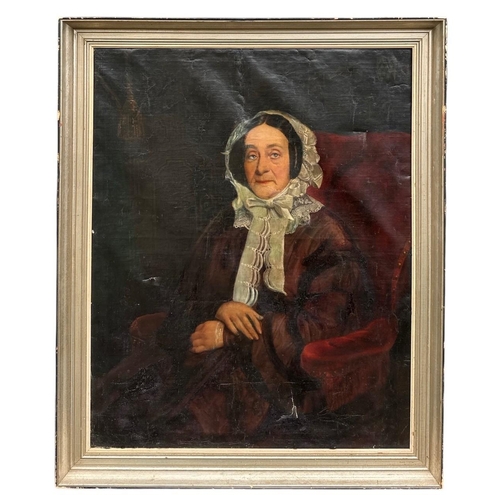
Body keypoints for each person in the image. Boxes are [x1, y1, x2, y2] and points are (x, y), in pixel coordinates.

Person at [92, 110, 372, 446]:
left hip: (269, 376)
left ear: (295, 162)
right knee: (114, 407)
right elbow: (185, 298)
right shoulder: (229, 221)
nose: (261, 167)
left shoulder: (325, 233)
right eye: (252, 155)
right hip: (199, 354)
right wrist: (220, 308)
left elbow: (324, 325)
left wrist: (231, 336)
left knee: (179, 427)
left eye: (274, 154)